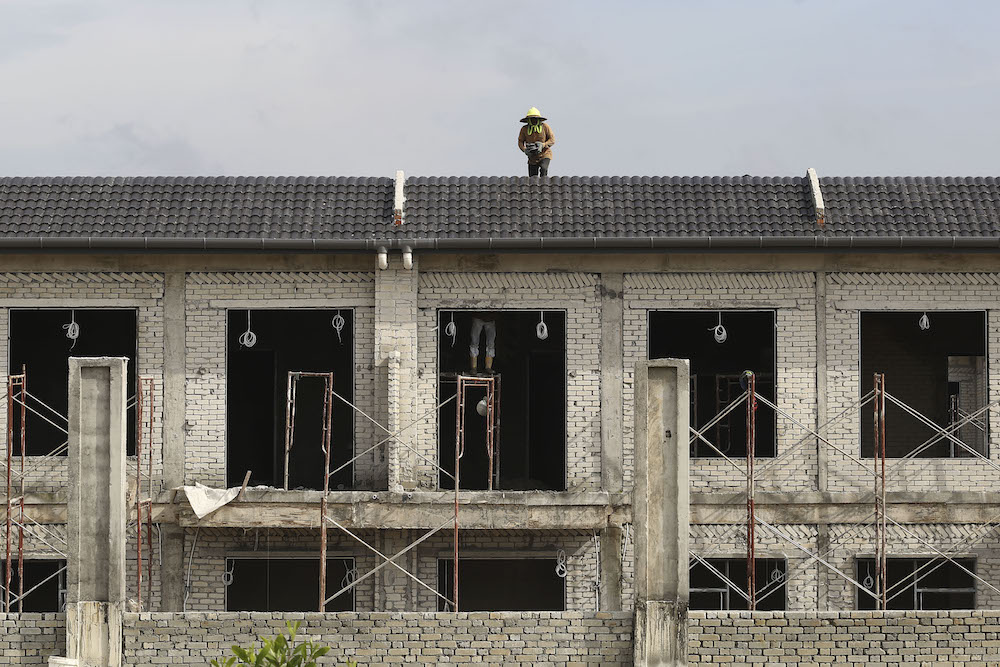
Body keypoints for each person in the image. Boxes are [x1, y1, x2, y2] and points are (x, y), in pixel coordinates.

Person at [517, 107, 555, 176]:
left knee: (544, 169)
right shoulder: (524, 129)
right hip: (532, 157)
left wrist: (543, 145)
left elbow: (552, 140)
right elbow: (520, 141)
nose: (533, 121)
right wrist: (525, 150)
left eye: (535, 119)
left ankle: (544, 185)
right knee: (532, 178)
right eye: (531, 119)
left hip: (544, 154)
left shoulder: (545, 127)